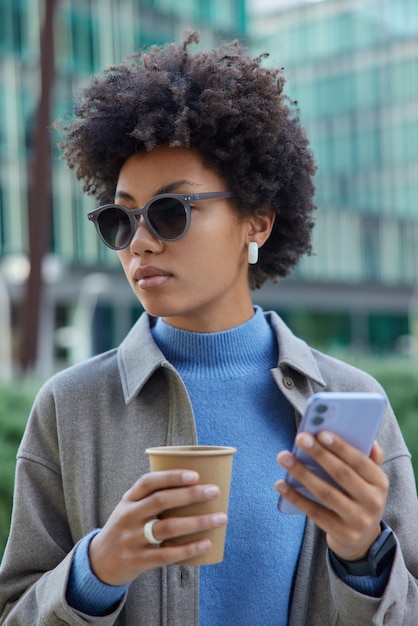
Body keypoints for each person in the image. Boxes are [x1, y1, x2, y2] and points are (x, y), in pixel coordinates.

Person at [0, 30, 417, 626]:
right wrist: (97, 571)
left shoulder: (353, 402)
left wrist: (363, 557)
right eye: (120, 218)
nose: (139, 241)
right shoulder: (69, 408)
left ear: (258, 222)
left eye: (172, 211)